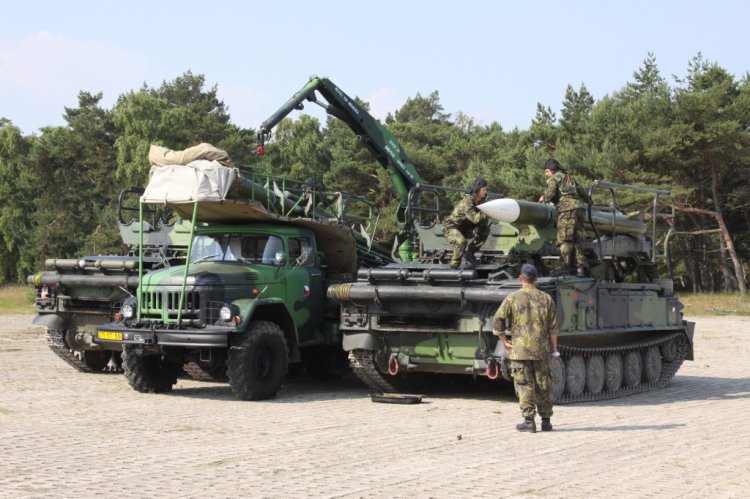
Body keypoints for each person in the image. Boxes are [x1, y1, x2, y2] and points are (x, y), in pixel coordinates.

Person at [492, 263, 559, 432]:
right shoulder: (546, 298)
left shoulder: (512, 298)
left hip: (519, 350)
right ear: (536, 279)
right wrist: (553, 349)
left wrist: (503, 340)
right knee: (543, 384)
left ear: (521, 278)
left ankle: (529, 421)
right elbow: (553, 328)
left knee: (524, 384)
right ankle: (546, 421)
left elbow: (497, 319)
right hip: (541, 350)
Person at [539, 159, 591, 276]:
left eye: (546, 172)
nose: (546, 175)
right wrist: (589, 202)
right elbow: (583, 193)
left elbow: (550, 194)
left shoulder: (554, 178)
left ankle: (566, 267)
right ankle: (581, 268)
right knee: (575, 239)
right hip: (580, 209)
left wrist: (543, 199)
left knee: (564, 239)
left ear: (548, 170)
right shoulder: (569, 177)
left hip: (567, 209)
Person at [443, 177, 490, 269]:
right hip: (451, 227)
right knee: (461, 242)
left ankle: (469, 253)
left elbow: (481, 221)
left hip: (465, 228)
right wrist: (488, 212)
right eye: (484, 190)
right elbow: (475, 218)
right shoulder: (467, 201)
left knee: (485, 230)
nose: (486, 192)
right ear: (477, 190)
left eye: (486, 190)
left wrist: (479, 227)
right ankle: (454, 265)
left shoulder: (481, 201)